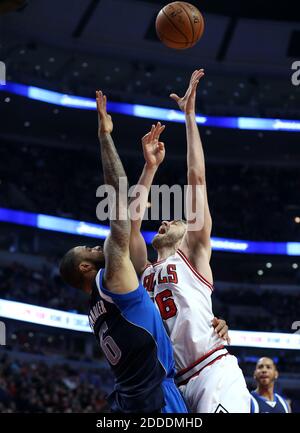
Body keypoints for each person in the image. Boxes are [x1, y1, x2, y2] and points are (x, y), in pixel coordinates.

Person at [129, 69, 250, 413]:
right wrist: (149, 168)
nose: (164, 220)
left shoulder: (193, 254)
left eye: (175, 220)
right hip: (173, 385)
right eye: (164, 220)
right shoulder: (143, 269)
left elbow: (196, 177)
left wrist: (189, 117)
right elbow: (129, 226)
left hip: (213, 371)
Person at [59, 91, 188, 414]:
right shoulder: (111, 277)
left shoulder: (99, 308)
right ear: (86, 267)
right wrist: (105, 136)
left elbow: (131, 226)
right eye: (87, 249)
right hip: (155, 399)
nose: (94, 245)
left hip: (132, 399)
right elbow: (117, 196)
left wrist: (150, 169)